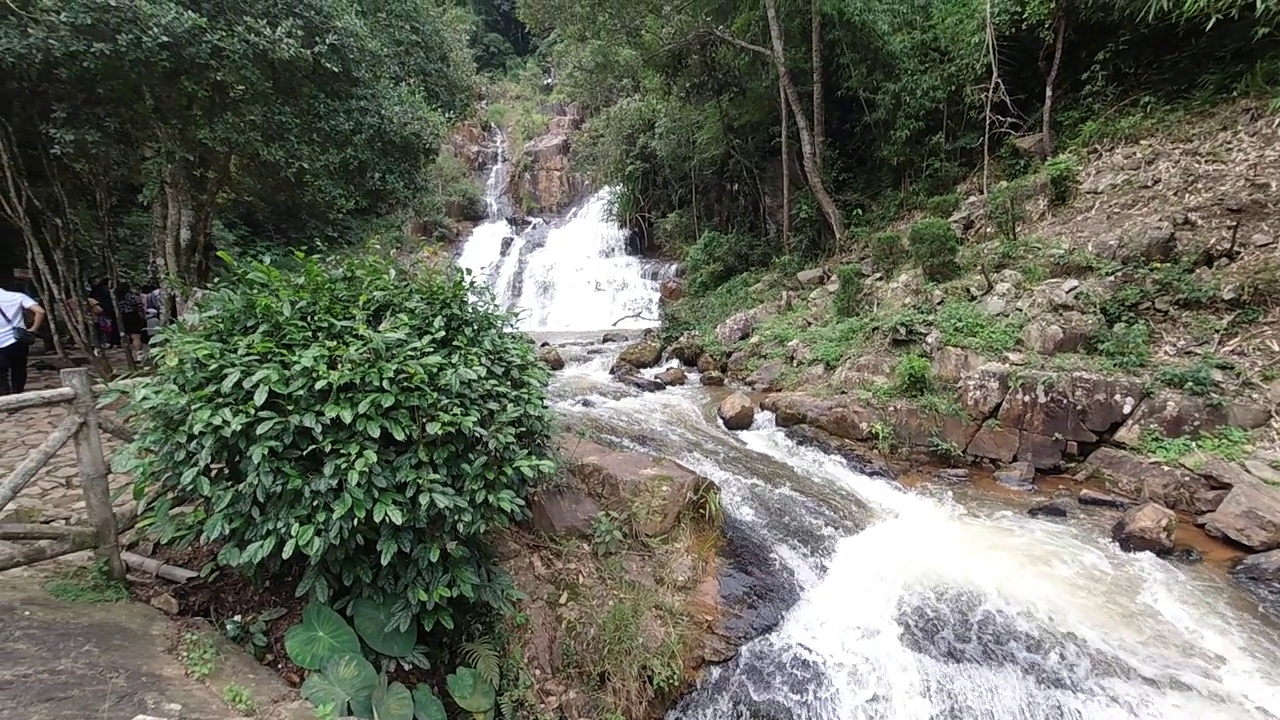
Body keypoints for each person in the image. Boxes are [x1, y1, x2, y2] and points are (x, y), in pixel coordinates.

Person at [0, 283, 46, 395]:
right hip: (17, 340)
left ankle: (5, 397)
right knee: (19, 369)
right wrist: (33, 329)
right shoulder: (17, 296)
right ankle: (18, 392)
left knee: (1, 374)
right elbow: (40, 311)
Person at [117, 282, 145, 359]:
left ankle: (129, 355)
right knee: (136, 337)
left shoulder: (117, 298)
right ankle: (138, 354)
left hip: (122, 317)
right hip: (133, 316)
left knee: (125, 336)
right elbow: (140, 307)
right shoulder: (133, 297)